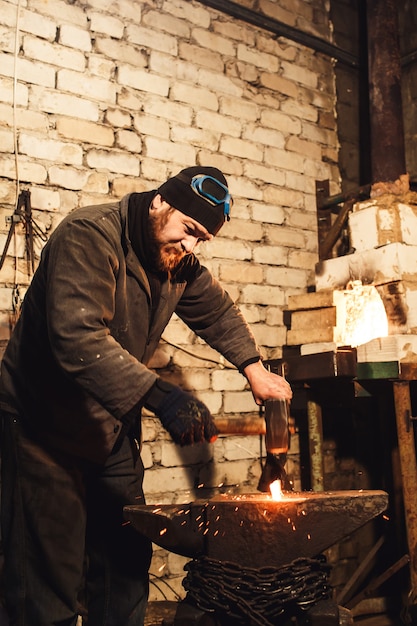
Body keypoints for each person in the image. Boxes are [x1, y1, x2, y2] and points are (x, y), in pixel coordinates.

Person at [0, 165, 292, 626]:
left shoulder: (174, 261)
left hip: (109, 431)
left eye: (201, 239)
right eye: (189, 230)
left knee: (125, 569)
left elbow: (216, 311)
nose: (190, 246)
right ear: (161, 201)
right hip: (42, 431)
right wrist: (162, 396)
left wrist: (254, 369)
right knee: (46, 583)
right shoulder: (88, 235)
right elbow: (77, 337)